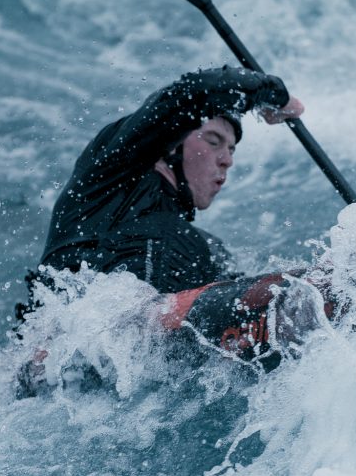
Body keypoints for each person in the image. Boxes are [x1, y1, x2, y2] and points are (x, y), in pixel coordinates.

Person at [25, 66, 304, 307]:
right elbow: (198, 90)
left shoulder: (203, 250)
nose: (227, 160)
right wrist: (275, 95)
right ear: (170, 143)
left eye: (232, 149)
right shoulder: (111, 173)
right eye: (213, 141)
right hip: (69, 347)